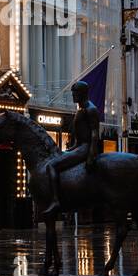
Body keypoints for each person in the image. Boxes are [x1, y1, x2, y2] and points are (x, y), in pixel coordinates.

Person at [43, 79, 102, 216]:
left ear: (82, 93)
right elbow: (80, 134)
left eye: (75, 93)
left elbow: (94, 133)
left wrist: (91, 155)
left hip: (85, 148)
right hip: (79, 147)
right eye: (73, 93)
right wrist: (69, 149)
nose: (73, 96)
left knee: (51, 166)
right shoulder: (81, 109)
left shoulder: (90, 109)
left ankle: (55, 200)